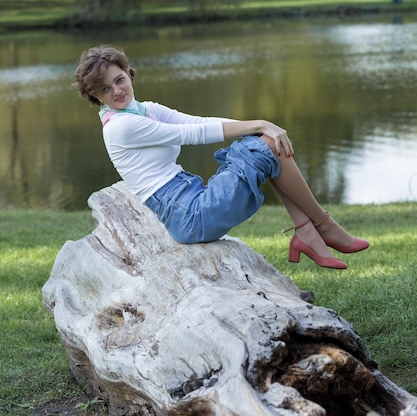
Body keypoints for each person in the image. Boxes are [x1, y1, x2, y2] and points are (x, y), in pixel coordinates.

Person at [74, 46, 369, 270]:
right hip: (189, 215)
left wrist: (258, 126)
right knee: (266, 144)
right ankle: (322, 226)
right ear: (96, 96)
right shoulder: (123, 126)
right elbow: (193, 135)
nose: (117, 91)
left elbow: (196, 121)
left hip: (190, 202)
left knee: (266, 146)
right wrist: (260, 124)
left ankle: (308, 231)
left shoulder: (144, 110)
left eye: (119, 79)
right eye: (105, 89)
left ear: (128, 74)